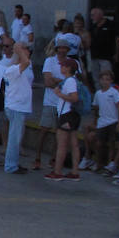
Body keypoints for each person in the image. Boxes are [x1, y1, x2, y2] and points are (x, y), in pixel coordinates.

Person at [34, 35, 77, 171]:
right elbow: (47, 82)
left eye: (65, 48)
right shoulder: (50, 61)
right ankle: (37, 158)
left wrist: (56, 81)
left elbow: (74, 83)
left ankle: (53, 160)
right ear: (57, 49)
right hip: (50, 102)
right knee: (44, 131)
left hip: (65, 106)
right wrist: (63, 82)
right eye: (60, 48)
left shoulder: (73, 62)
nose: (62, 50)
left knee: (60, 134)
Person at [2, 41, 34, 174]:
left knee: (16, 137)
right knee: (14, 138)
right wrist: (19, 49)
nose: (28, 52)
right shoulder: (12, 69)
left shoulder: (23, 68)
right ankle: (10, 165)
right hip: (16, 107)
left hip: (20, 106)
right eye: (26, 49)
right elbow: (25, 62)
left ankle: (13, 162)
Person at [45, 67, 82, 181]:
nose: (60, 67)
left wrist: (59, 94)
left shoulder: (70, 81)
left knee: (62, 144)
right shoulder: (73, 81)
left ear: (67, 68)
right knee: (73, 143)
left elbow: (74, 98)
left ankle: (57, 171)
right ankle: (75, 172)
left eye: (63, 66)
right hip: (73, 115)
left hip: (67, 115)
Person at [84, 70, 119, 173]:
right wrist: (96, 120)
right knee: (99, 143)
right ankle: (99, 163)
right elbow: (96, 108)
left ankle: (110, 164)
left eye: (107, 79)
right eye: (103, 79)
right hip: (102, 122)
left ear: (111, 81)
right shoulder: (98, 93)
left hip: (113, 122)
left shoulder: (114, 92)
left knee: (111, 143)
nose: (105, 82)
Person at [88, 7, 117, 80]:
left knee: (106, 77)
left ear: (100, 15)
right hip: (94, 56)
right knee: (96, 78)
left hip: (106, 57)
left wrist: (117, 53)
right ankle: (98, 91)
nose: (92, 17)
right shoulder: (92, 26)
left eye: (93, 15)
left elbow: (117, 40)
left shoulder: (110, 24)